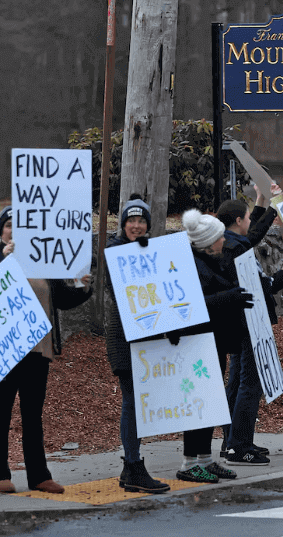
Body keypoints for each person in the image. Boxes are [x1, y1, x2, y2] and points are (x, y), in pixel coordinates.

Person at [0, 207, 92, 494]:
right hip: (5, 347)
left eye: (21, 226)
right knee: (1, 410)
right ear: (1, 231)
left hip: (39, 349)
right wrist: (4, 259)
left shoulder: (42, 260)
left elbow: (61, 298)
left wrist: (84, 286)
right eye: (9, 225)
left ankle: (39, 475)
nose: (15, 231)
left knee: (33, 414)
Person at [216, 189, 283, 465]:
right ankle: (239, 445)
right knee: (250, 383)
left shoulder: (229, 242)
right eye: (248, 217)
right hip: (248, 321)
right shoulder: (235, 247)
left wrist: (263, 202)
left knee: (237, 381)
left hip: (240, 321)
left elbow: (252, 234)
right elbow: (258, 285)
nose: (251, 221)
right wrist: (282, 278)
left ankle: (233, 441)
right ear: (238, 220)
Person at [176, 209, 256, 482]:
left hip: (215, 340)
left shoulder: (214, 260)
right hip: (198, 342)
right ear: (209, 242)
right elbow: (193, 306)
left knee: (210, 402)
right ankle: (189, 463)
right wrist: (230, 297)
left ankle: (205, 459)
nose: (225, 240)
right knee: (198, 402)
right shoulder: (193, 265)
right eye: (220, 237)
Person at [103, 196, 170, 493]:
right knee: (132, 403)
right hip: (124, 335)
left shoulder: (154, 250)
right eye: (131, 221)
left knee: (140, 404)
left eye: (141, 220)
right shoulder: (114, 250)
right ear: (123, 224)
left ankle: (130, 466)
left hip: (147, 334)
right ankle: (133, 465)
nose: (137, 226)